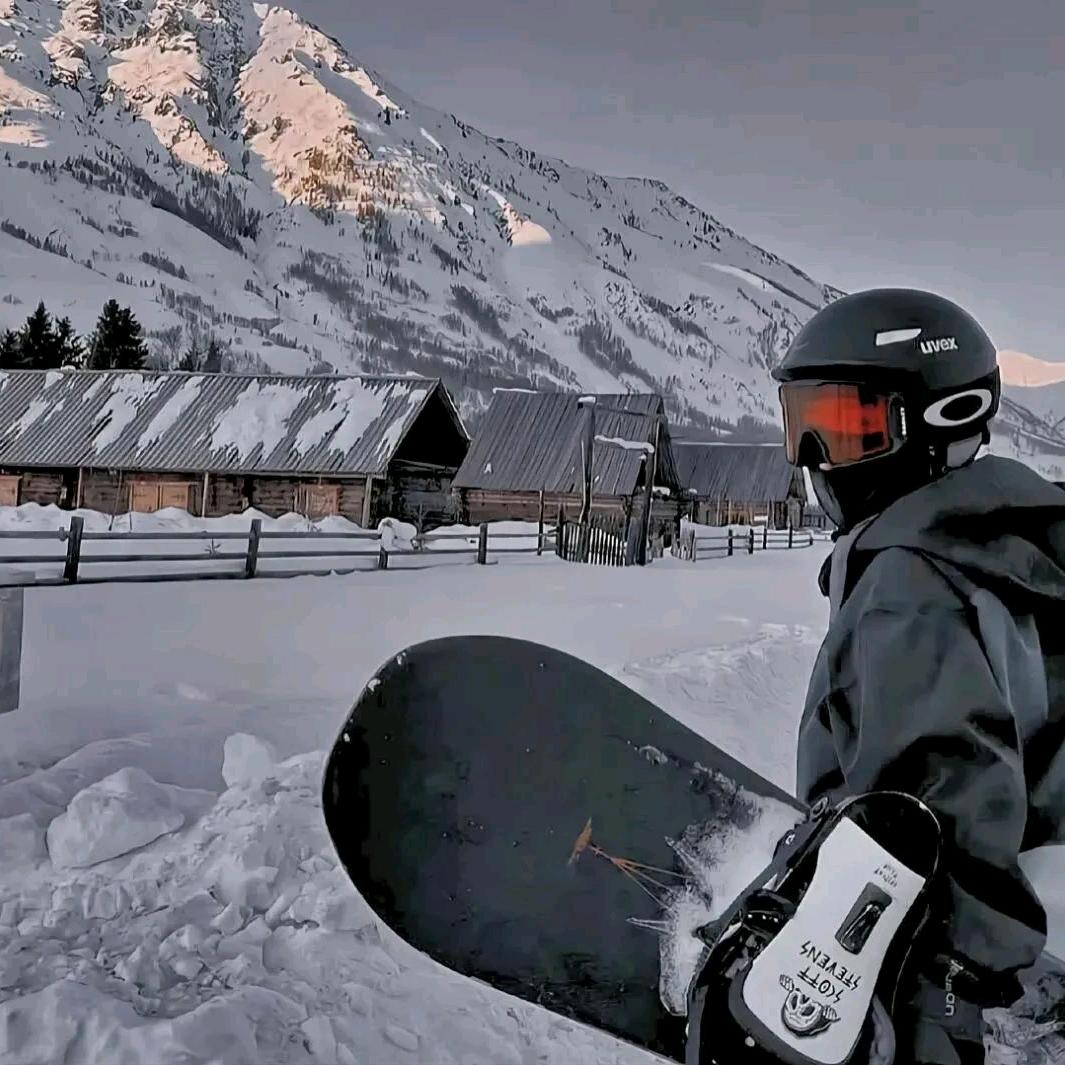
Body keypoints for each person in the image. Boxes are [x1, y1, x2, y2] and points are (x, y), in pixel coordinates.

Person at [771, 287, 1065, 1063]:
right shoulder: (1011, 545)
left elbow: (939, 798)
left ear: (938, 419)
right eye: (803, 426)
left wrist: (947, 985)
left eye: (847, 426)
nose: (815, 461)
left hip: (960, 963)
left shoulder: (908, 584)